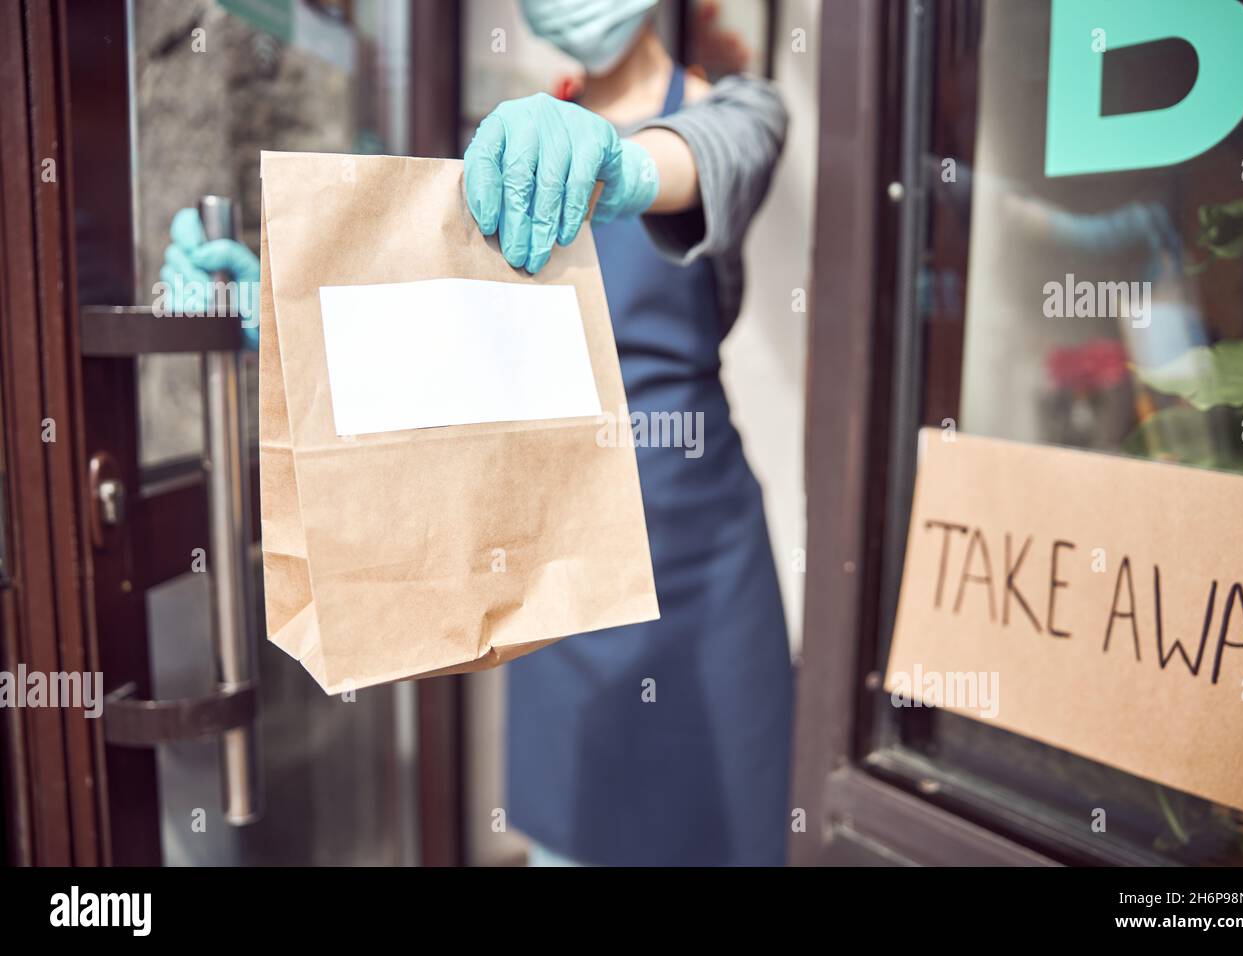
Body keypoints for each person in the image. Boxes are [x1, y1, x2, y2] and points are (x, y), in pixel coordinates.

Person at [160, 0, 792, 867]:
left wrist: (623, 171)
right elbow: (436, 341)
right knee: (575, 839)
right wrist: (282, 316)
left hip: (703, 571)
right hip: (559, 566)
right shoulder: (500, 158)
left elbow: (709, 159)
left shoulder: (738, 107)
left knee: (723, 832)